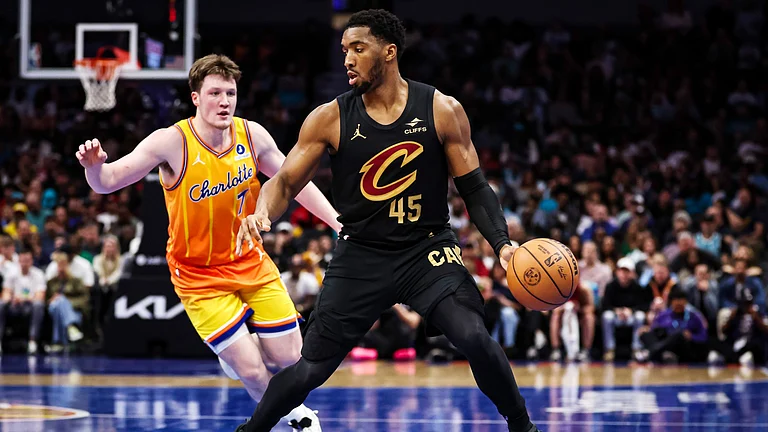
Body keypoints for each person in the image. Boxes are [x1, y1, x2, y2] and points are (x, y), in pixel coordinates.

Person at [236, 10, 539, 432]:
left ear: (389, 52)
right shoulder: (329, 117)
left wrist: (502, 243)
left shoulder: (441, 109)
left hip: (426, 250)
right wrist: (262, 212)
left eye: (359, 49)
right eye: (345, 50)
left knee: (474, 337)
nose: (348, 59)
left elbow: (474, 187)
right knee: (311, 369)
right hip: (361, 254)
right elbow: (284, 181)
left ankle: (523, 427)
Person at [76, 54, 342, 431]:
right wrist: (94, 167)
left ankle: (235, 348)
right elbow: (108, 182)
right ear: (196, 98)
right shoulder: (171, 141)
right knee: (252, 370)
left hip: (250, 261)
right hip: (198, 275)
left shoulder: (252, 136)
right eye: (215, 93)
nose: (224, 101)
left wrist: (337, 222)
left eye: (230, 93)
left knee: (293, 359)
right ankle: (297, 417)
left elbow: (292, 181)